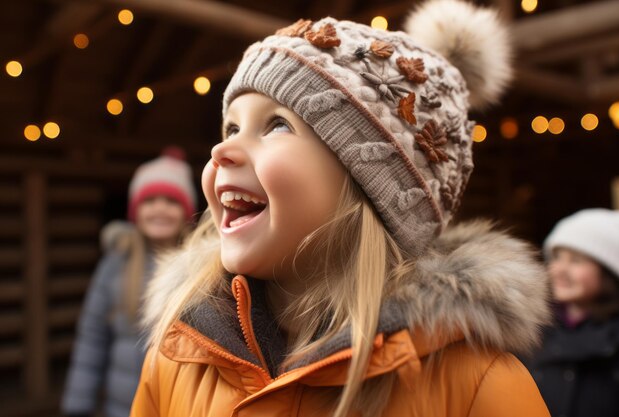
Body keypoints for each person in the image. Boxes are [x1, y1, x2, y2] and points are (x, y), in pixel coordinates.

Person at [131, 1, 552, 416]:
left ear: (372, 186)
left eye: (277, 124)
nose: (222, 149)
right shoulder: (178, 355)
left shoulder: (478, 386)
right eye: (232, 127)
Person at [61, 147, 197, 417]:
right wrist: (78, 403)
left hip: (179, 404)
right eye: (150, 201)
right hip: (123, 406)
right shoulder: (116, 263)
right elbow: (92, 336)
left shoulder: (199, 266)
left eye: (171, 201)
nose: (159, 209)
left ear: (186, 211)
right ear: (136, 210)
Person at [525, 208, 619, 417]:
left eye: (576, 261)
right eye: (557, 257)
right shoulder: (531, 328)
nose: (559, 269)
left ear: (609, 271)